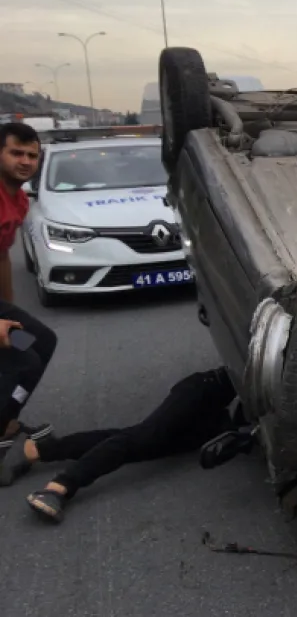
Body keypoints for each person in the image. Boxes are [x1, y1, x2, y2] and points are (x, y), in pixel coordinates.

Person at [0, 366, 254, 523]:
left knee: (136, 441)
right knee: (143, 437)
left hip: (216, 426)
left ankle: (44, 448)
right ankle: (58, 488)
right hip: (210, 390)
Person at [0, 122, 57, 450]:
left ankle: (6, 421)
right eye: (15, 153)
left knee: (40, 342)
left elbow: (2, 257)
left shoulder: (19, 201)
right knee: (25, 360)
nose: (25, 161)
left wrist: (9, 309)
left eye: (32, 156)